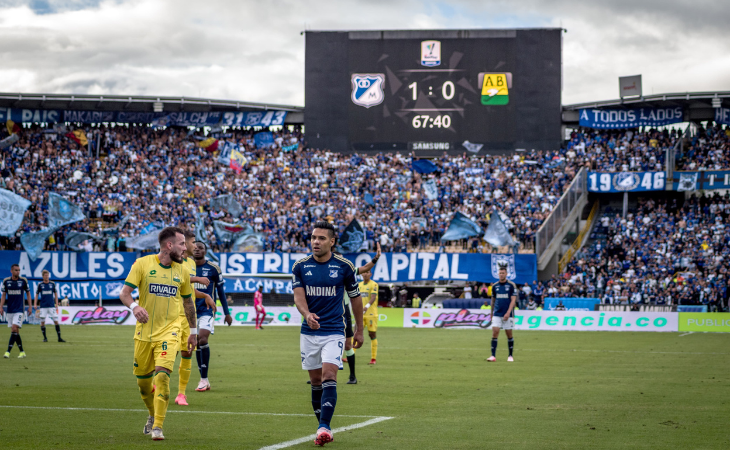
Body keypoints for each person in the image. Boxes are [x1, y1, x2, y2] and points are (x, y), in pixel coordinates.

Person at [119, 227, 198, 441]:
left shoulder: (182, 271)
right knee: (144, 386)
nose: (186, 248)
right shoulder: (143, 264)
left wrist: (193, 332)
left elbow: (188, 302)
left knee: (162, 375)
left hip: (170, 332)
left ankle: (158, 427)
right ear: (169, 245)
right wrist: (135, 307)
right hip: (144, 334)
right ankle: (152, 415)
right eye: (182, 244)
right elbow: (124, 294)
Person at [292, 221, 364, 446]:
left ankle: (324, 426)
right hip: (308, 332)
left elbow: (356, 299)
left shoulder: (344, 266)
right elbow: (298, 297)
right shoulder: (300, 266)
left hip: (334, 330)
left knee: (329, 377)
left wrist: (359, 330)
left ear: (332, 242)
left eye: (321, 238)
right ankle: (322, 428)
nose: (316, 241)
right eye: (313, 237)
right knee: (315, 381)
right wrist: (307, 314)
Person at [172, 230, 216, 406]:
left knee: (187, 351)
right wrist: (198, 279)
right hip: (171, 314)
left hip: (187, 316)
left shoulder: (190, 263)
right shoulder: (173, 261)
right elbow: (181, 279)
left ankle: (181, 394)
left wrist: (205, 296)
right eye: (191, 243)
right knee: (165, 355)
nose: (194, 246)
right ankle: (155, 385)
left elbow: (186, 289)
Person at [191, 241, 232, 393]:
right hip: (190, 310)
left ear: (205, 251)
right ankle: (204, 379)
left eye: (200, 248)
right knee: (195, 342)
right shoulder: (187, 267)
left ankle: (203, 378)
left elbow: (221, 292)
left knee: (202, 338)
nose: (197, 250)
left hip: (207, 310)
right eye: (194, 248)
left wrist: (227, 313)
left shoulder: (213, 268)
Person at [487, 262, 517, 362]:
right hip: (497, 313)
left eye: (503, 273)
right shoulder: (495, 286)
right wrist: (491, 313)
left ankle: (510, 356)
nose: (501, 274)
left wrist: (508, 312)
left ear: (506, 274)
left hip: (508, 314)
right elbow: (493, 301)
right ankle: (493, 356)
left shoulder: (511, 285)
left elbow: (513, 300)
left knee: (509, 334)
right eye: (500, 273)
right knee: (495, 333)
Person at [1, 264, 31, 358]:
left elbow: (28, 293)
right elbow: (3, 295)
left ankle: (8, 352)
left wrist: (30, 306)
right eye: (16, 270)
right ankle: (22, 352)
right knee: (15, 331)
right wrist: (1, 306)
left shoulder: (23, 280)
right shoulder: (6, 281)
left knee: (14, 328)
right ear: (11, 271)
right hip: (10, 309)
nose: (18, 272)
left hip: (19, 309)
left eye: (19, 270)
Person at [34, 270, 65, 342]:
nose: (46, 276)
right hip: (43, 306)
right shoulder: (40, 285)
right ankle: (45, 338)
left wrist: (56, 303)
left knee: (56, 321)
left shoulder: (52, 284)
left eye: (47, 275)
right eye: (45, 275)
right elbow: (36, 295)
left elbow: (56, 294)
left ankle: (59, 338)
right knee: (42, 322)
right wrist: (35, 303)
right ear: (43, 276)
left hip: (51, 306)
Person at [359, 269, 379, 365]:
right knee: (356, 333)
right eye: (364, 272)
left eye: (367, 272)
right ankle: (350, 355)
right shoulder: (359, 285)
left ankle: (373, 358)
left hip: (371, 314)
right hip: (360, 314)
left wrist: (366, 307)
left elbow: (373, 297)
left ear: (370, 274)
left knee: (372, 335)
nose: (365, 274)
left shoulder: (374, 284)